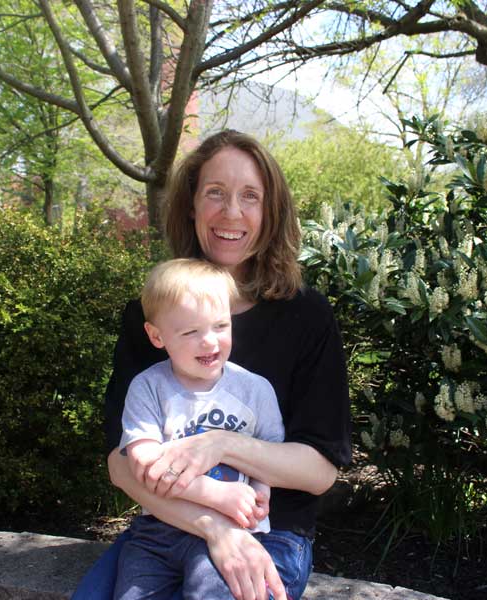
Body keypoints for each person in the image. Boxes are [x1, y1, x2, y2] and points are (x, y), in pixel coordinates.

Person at [73, 130, 351, 600]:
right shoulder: (151, 314)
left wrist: (217, 445)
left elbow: (319, 471)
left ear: (271, 213)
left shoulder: (306, 316)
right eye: (215, 193)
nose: (232, 212)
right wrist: (213, 527)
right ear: (190, 205)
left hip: (269, 532)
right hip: (165, 525)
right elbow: (122, 465)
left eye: (250, 197)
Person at [114, 258, 285, 599]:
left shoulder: (255, 390)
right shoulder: (148, 388)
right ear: (156, 335)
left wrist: (261, 491)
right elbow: (144, 464)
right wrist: (214, 494)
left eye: (220, 326)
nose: (209, 342)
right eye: (191, 332)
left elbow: (270, 452)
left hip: (237, 531)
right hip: (159, 530)